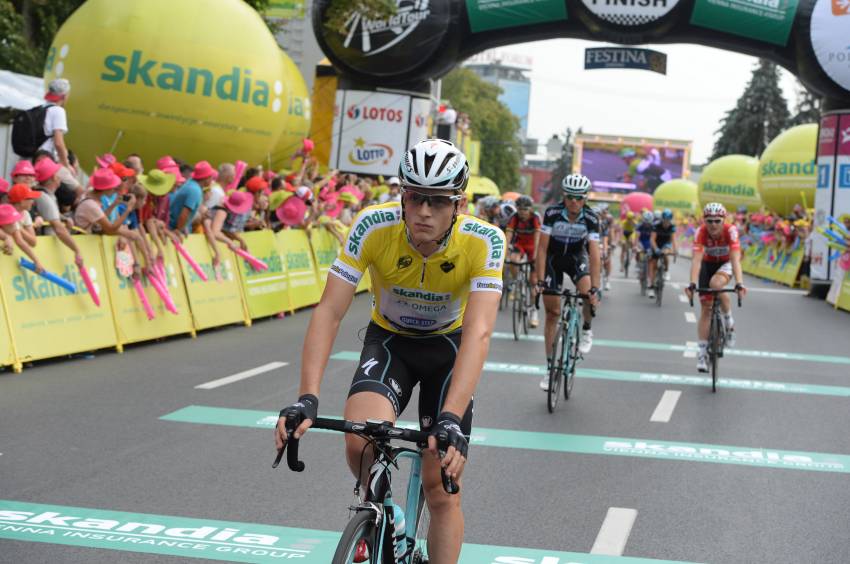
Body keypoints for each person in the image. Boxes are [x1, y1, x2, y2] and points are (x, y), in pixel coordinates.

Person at [275, 139, 504, 564]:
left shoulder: (484, 240)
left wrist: (452, 417)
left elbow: (479, 332)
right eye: (415, 197)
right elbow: (329, 311)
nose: (423, 211)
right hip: (391, 341)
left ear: (459, 204)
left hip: (448, 350)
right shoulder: (372, 226)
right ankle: (383, 513)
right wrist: (306, 396)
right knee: (359, 438)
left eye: (438, 201)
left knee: (441, 490)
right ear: (402, 194)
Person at [536, 173, 601, 391]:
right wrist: (539, 280)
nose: (574, 202)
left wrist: (596, 288)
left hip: (576, 259)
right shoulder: (553, 213)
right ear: (564, 197)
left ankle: (586, 328)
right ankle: (549, 368)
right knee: (552, 313)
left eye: (579, 198)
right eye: (570, 197)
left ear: (585, 198)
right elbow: (543, 248)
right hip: (554, 259)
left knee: (587, 293)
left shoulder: (591, 218)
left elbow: (594, 254)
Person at [685, 203, 747, 372]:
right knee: (706, 308)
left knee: (717, 284)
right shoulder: (701, 232)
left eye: (717, 221)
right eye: (709, 220)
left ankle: (729, 321)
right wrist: (692, 284)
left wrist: (739, 283)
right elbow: (696, 260)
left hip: (726, 263)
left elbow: (735, 260)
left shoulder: (731, 231)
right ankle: (703, 353)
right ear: (704, 221)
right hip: (708, 265)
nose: (713, 224)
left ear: (723, 220)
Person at [33, 157, 83, 267]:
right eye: (58, 173)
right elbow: (59, 229)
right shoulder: (44, 197)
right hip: (46, 249)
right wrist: (77, 250)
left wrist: (63, 218)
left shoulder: (46, 194)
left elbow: (50, 214)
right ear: (54, 177)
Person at [505, 195, 541, 327]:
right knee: (513, 260)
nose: (522, 212)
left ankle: (534, 312)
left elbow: (538, 237)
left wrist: (536, 256)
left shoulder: (535, 218)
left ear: (530, 209)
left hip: (533, 247)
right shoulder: (514, 217)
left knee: (534, 283)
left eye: (525, 209)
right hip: (520, 245)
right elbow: (508, 235)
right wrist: (504, 253)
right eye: (520, 209)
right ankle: (516, 283)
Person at [169, 161, 213, 237]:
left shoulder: (191, 183)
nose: (212, 179)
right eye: (211, 177)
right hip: (173, 228)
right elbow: (184, 214)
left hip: (176, 225)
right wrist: (179, 230)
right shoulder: (195, 190)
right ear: (206, 179)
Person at [39, 79, 72, 169]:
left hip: (30, 156)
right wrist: (66, 164)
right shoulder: (58, 111)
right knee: (74, 183)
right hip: (44, 159)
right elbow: (58, 143)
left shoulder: (40, 108)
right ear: (64, 96)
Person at [648, 208, 677, 298]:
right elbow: (652, 239)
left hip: (666, 244)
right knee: (653, 264)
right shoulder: (656, 225)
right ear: (662, 219)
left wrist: (675, 250)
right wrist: (656, 249)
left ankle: (666, 271)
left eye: (668, 221)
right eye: (665, 220)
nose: (666, 222)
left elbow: (673, 240)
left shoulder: (672, 227)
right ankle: (652, 287)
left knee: (665, 253)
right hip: (656, 243)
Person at [634, 211, 654, 296]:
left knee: (651, 259)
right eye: (645, 222)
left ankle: (650, 280)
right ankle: (638, 264)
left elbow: (654, 239)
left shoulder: (653, 227)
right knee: (638, 251)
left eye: (648, 223)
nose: (646, 224)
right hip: (641, 242)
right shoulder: (639, 226)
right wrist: (635, 246)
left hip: (649, 243)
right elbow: (637, 238)